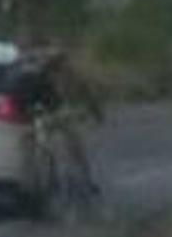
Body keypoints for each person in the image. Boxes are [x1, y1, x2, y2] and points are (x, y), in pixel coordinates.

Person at [8, 45, 104, 202]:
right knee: (65, 144)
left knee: (66, 143)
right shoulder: (37, 75)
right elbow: (81, 95)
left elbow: (82, 93)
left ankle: (78, 179)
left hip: (42, 110)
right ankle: (78, 179)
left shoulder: (31, 72)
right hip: (43, 110)